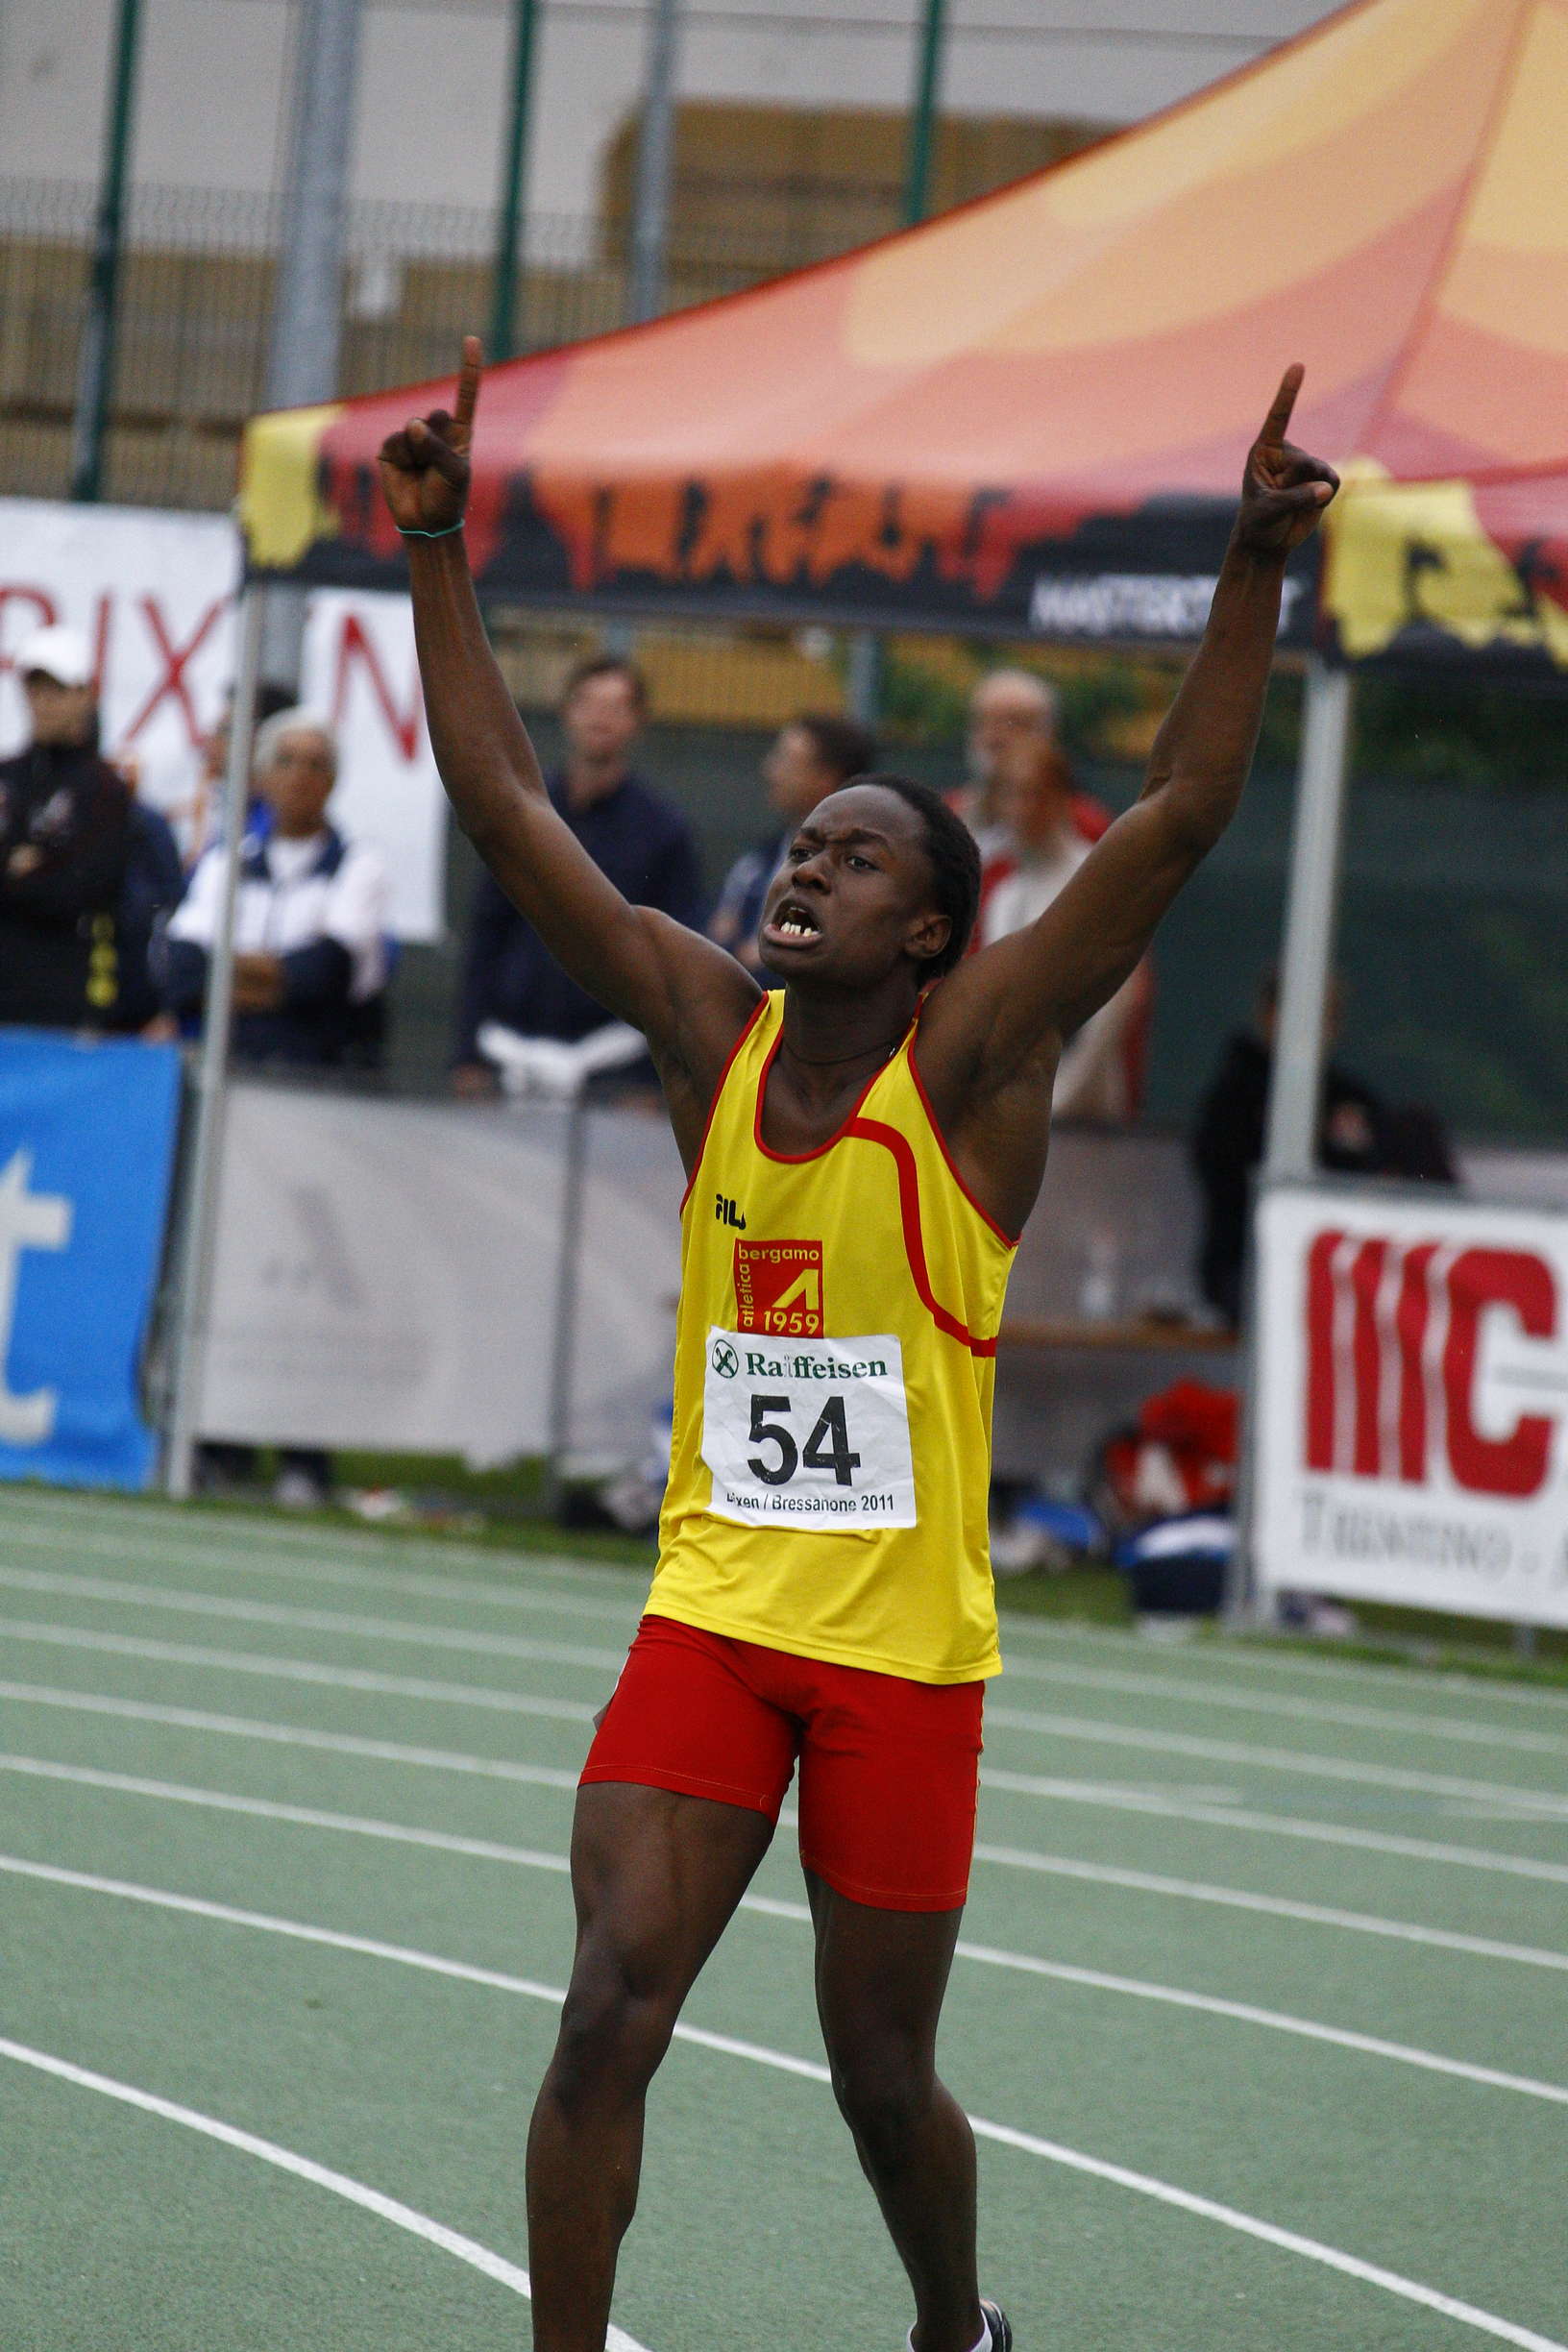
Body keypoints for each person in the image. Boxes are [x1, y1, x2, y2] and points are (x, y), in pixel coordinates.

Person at [380, 337, 1336, 2352]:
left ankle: (952, 2326)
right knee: (603, 2012)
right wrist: (440, 552)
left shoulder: (974, 1066)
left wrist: (1252, 565)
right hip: (715, 1617)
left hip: (904, 1655)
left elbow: (1177, 813)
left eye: (858, 855)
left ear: (928, 933)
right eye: (804, 844)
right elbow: (504, 803)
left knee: (881, 2076)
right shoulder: (707, 1033)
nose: (807, 865)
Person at [452, 654, 705, 1094]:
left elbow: (678, 959)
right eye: (588, 702)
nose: (599, 717)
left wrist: (649, 1079)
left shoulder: (663, 830)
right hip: (507, 1053)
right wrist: (467, 1055)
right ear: (567, 711)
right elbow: (487, 934)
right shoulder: (520, 815)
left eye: (616, 706)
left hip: (612, 1062)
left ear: (638, 721)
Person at [1188, 968, 1455, 1327]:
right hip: (1251, 1268)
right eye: (1301, 1010)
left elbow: (1407, 1170)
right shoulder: (1233, 1100)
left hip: (1347, 1267)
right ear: (1269, 1015)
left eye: (1328, 1015)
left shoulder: (1349, 1099)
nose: (1315, 1026)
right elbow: (1231, 1190)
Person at [162, 708, 390, 1069]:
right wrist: (284, 982)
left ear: (332, 781)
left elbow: (326, 974)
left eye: (316, 765)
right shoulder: (227, 862)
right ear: (261, 777)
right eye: (285, 761)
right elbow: (183, 968)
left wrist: (220, 971)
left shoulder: (358, 865)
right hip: (228, 1062)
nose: (300, 776)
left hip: (323, 1069)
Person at [977, 729, 1151, 1122]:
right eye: (1010, 794)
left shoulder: (1095, 876)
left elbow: (1120, 998)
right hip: (1014, 1106)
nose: (1021, 808)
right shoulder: (1005, 894)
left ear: (1060, 797)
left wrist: (1063, 1096)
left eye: (1033, 793)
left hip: (1083, 1111)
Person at [0, 625, 132, 1031]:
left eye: (56, 691)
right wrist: (30, 866)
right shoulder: (7, 778)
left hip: (63, 993)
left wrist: (24, 873)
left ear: (85, 695)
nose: (44, 703)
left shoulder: (104, 788)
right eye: (35, 690)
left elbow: (84, 885)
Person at [709, 713, 877, 971]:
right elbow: (719, 933)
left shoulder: (854, 875)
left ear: (826, 778)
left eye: (786, 760)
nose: (770, 770)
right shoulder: (760, 859)